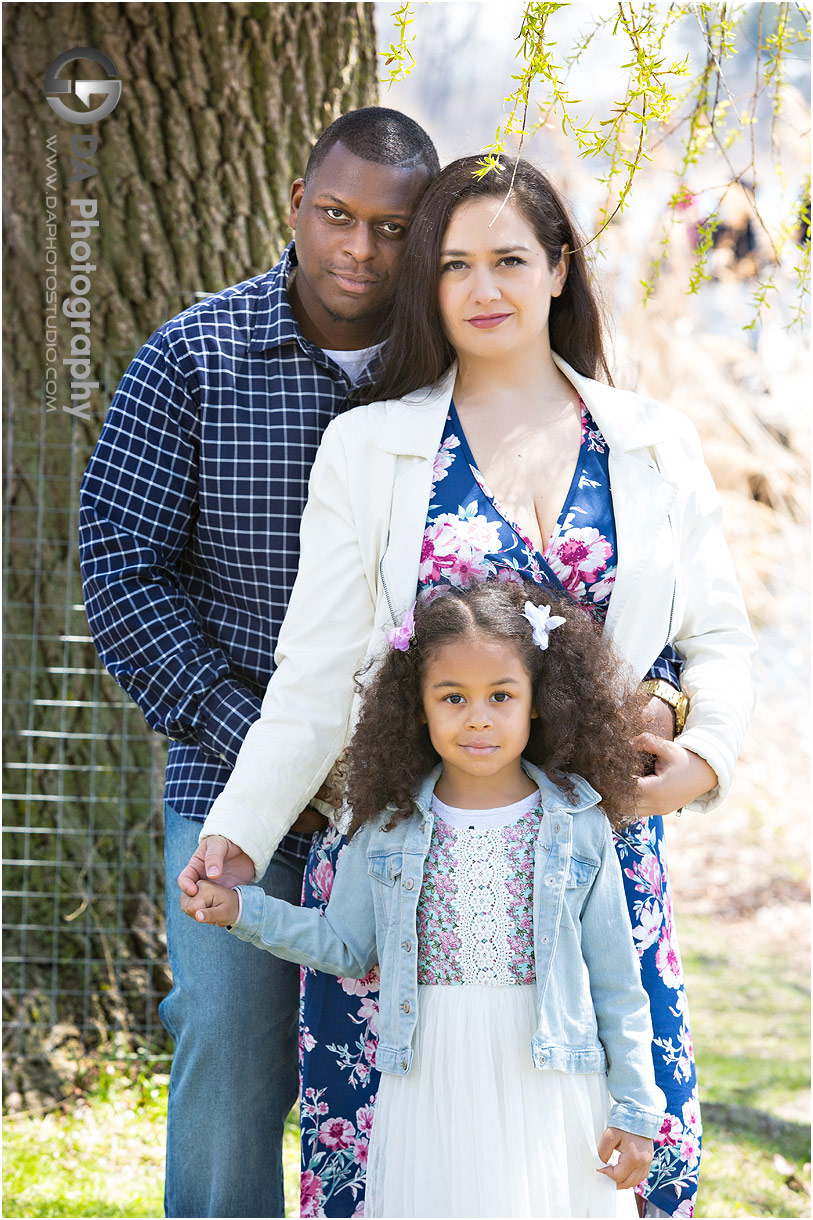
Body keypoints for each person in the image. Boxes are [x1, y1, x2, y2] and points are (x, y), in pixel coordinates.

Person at [182, 156, 755, 1218]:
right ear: (428, 286)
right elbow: (314, 679)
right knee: (415, 1169)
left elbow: (718, 633)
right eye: (454, 265)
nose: (484, 287)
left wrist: (706, 752)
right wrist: (241, 832)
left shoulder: (653, 441)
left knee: (608, 1158)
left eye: (508, 259)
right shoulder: (371, 445)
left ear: (558, 269)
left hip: (594, 860)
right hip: (409, 878)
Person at [78, 107, 439, 1219]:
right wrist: (271, 749)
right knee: (231, 1050)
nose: (359, 250)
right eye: (337, 215)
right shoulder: (196, 356)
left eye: (392, 227)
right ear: (295, 200)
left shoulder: (451, 369)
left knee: (417, 1071)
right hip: (231, 783)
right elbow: (123, 571)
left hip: (425, 796)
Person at [183, 579, 668, 1219]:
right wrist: (245, 911)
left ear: (537, 703)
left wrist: (635, 1108)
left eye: (501, 696)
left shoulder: (577, 820)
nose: (478, 717)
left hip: (550, 1075)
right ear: (418, 707)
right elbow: (347, 946)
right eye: (453, 697)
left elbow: (616, 979)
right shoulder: (389, 824)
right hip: (432, 1074)